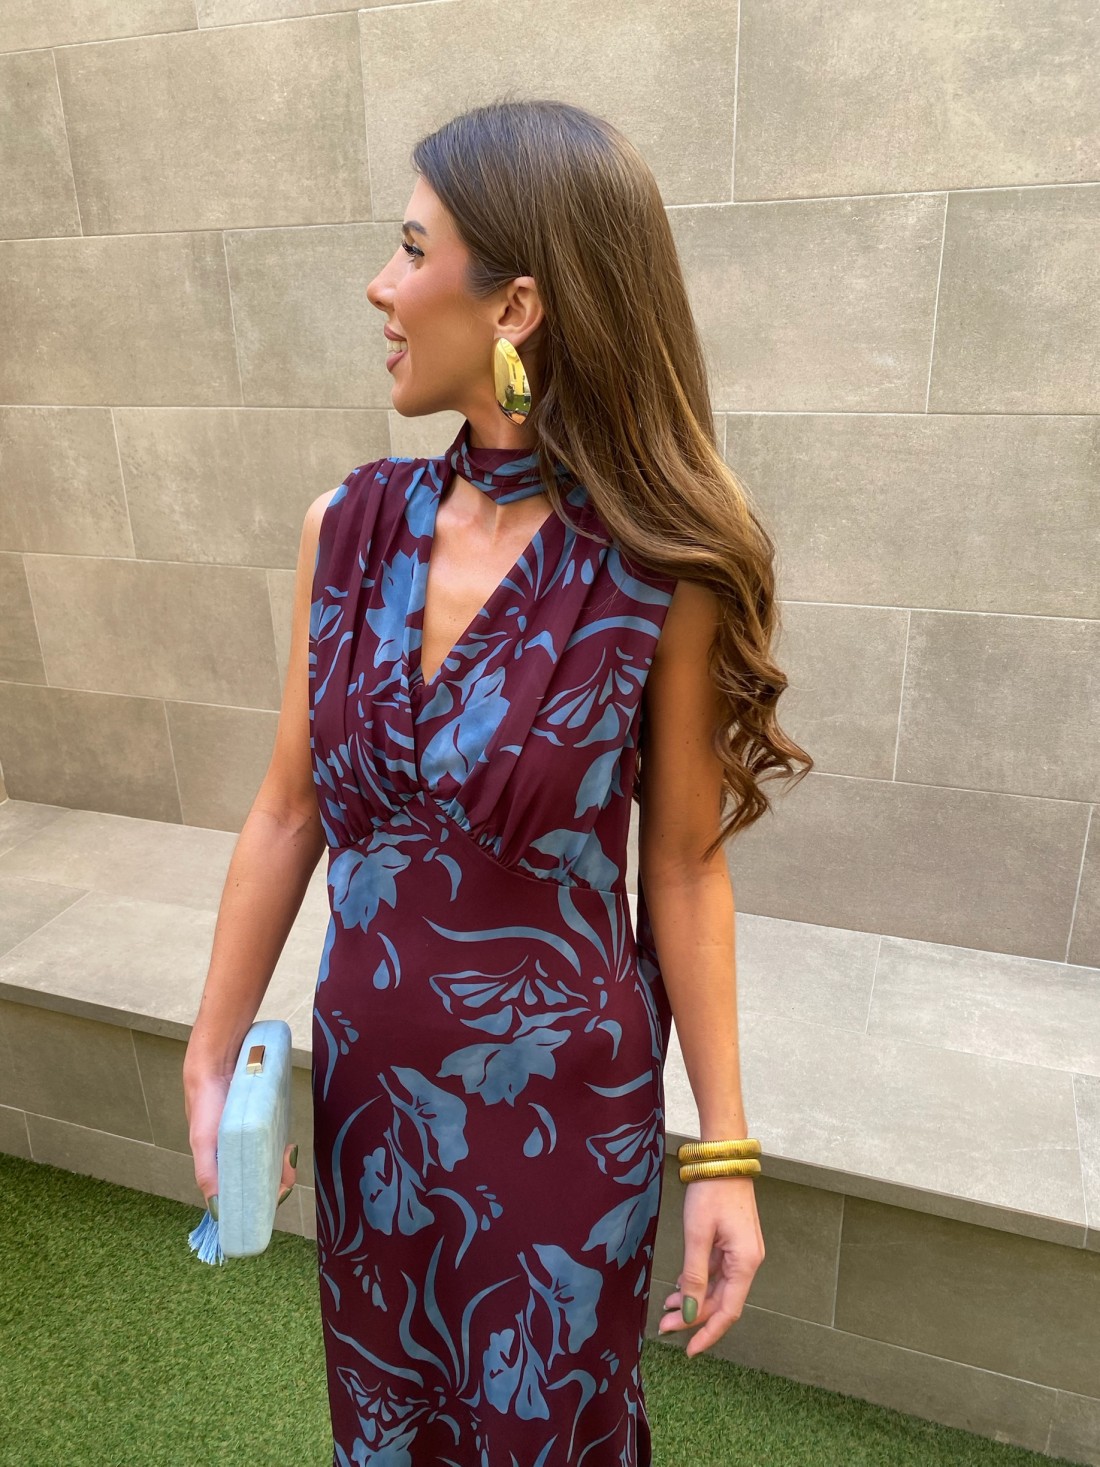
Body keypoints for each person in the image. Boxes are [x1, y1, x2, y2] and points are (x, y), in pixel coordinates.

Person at [184, 98, 812, 1467]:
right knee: (386, 1425)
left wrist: (723, 1154)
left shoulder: (655, 571)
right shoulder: (346, 530)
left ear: (515, 306)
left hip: (561, 1129)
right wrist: (209, 1053)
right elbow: (289, 809)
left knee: (546, 1434)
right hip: (372, 1114)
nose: (381, 285)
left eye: (413, 252)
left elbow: (684, 865)